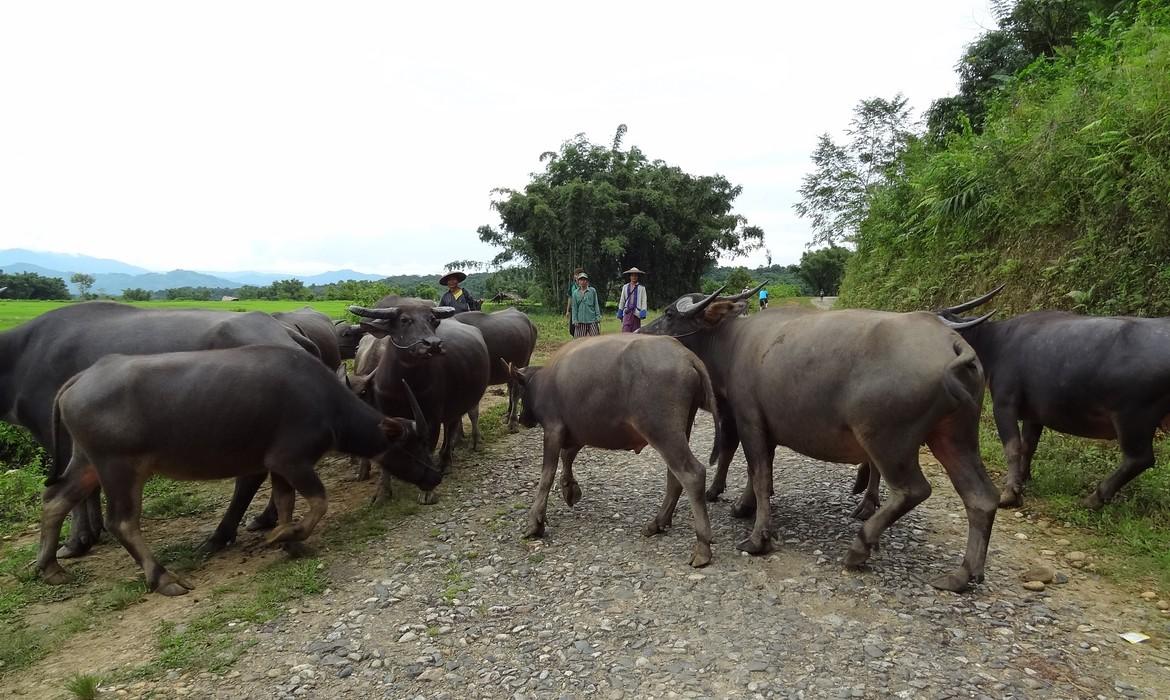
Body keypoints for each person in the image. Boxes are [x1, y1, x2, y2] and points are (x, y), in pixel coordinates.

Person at [616, 267, 648, 333]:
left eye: (635, 275)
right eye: (632, 275)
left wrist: (643, 311)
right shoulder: (625, 287)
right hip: (627, 312)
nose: (634, 277)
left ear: (637, 277)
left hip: (636, 313)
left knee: (635, 331)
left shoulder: (642, 288)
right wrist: (620, 311)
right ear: (630, 277)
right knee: (625, 330)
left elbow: (644, 301)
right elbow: (622, 300)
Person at [569, 272, 601, 337]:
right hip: (580, 321)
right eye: (581, 280)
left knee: (596, 340)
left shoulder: (592, 291)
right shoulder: (575, 293)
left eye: (584, 279)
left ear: (587, 281)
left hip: (592, 320)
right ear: (578, 281)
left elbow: (596, 305)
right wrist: (575, 320)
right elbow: (574, 308)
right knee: (578, 341)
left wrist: (598, 317)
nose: (583, 281)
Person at [564, 267, 584, 336]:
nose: (576, 276)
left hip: (583, 309)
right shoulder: (572, 286)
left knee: (582, 327)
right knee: (572, 329)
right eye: (575, 275)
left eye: (577, 275)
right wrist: (567, 311)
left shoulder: (585, 285)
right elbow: (570, 298)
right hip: (574, 309)